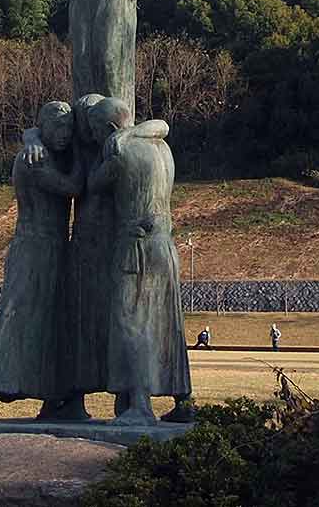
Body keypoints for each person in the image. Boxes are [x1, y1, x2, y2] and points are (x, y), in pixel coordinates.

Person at [0, 102, 84, 423]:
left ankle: (55, 400)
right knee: (11, 318)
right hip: (32, 248)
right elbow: (72, 187)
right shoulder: (35, 158)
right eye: (57, 127)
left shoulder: (43, 148)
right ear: (44, 127)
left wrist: (32, 135)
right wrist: (81, 153)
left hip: (55, 250)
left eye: (69, 128)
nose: (64, 134)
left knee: (54, 326)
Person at [85, 96, 191, 426]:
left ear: (109, 127)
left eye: (95, 131)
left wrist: (106, 149)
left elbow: (92, 184)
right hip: (165, 245)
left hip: (136, 245)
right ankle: (183, 400)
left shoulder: (119, 152)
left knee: (131, 321)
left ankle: (140, 404)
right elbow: (163, 125)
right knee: (168, 322)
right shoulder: (162, 147)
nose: (94, 137)